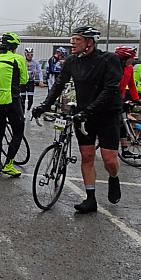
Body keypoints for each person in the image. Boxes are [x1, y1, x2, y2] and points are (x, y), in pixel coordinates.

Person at [33, 26, 122, 214]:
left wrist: (88, 110)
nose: (72, 42)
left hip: (107, 114)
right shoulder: (71, 61)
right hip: (83, 115)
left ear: (90, 42)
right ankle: (90, 199)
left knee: (109, 160)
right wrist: (44, 105)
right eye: (72, 39)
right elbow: (59, 84)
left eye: (77, 39)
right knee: (87, 156)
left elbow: (110, 89)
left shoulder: (109, 60)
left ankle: (114, 177)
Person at [0, 33, 28, 177]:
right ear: (14, 47)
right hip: (12, 99)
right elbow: (24, 80)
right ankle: (8, 165)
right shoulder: (18, 59)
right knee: (18, 132)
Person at [114, 46, 139, 159]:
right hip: (111, 99)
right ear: (124, 59)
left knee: (123, 123)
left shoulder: (129, 68)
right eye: (131, 58)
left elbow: (132, 85)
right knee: (116, 122)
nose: (133, 60)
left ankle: (125, 149)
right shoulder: (113, 67)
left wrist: (136, 99)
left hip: (121, 98)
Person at [20, 47, 44, 114]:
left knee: (30, 99)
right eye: (28, 55)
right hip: (23, 82)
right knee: (22, 99)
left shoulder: (35, 62)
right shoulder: (22, 61)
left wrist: (41, 80)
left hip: (31, 82)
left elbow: (40, 71)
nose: (30, 56)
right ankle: (22, 113)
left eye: (31, 55)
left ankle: (28, 109)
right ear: (25, 54)